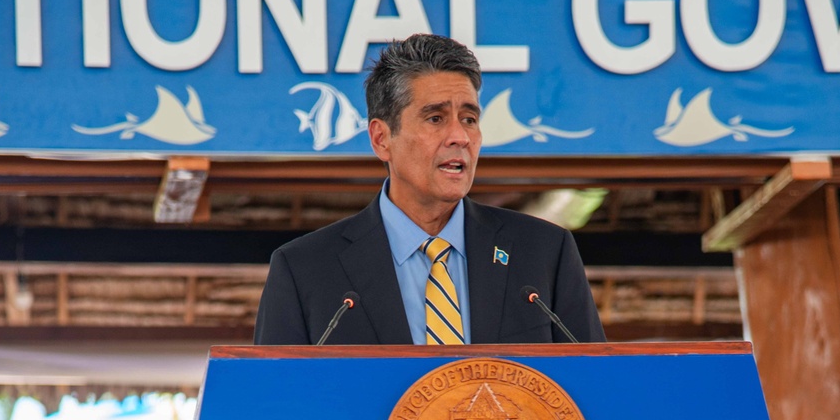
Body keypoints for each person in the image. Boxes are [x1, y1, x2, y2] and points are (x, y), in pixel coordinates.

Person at [254, 34, 605, 347]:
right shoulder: (305, 269)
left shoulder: (544, 252)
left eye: (469, 119)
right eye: (435, 118)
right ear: (381, 139)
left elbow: (593, 390)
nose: (460, 137)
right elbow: (275, 406)